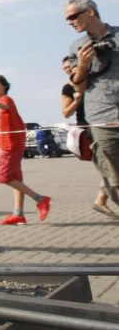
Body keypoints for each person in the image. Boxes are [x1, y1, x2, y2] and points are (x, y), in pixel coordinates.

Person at [0, 75, 51, 225]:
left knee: (4, 177)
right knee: (16, 179)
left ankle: (41, 199)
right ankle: (18, 214)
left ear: (4, 86)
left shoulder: (6, 100)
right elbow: (1, 126)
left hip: (10, 146)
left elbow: (6, 106)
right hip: (8, 144)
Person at [65, 0, 119, 207]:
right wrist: (83, 64)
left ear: (90, 12)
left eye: (72, 16)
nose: (69, 22)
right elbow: (79, 87)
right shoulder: (77, 47)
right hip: (101, 116)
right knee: (113, 176)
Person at [62, 56, 116, 218]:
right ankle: (101, 199)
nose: (69, 69)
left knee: (110, 166)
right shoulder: (68, 88)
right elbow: (66, 113)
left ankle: (101, 199)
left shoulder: (95, 82)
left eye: (71, 65)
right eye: (66, 68)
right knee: (109, 165)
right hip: (91, 129)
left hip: (109, 123)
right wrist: (76, 101)